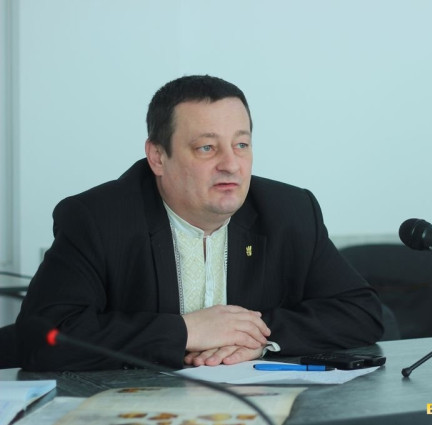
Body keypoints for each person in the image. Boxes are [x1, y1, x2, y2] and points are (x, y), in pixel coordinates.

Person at [16, 75, 383, 371]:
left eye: (241, 145)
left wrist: (253, 337)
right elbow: (41, 337)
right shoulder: (98, 219)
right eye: (207, 148)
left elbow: (361, 312)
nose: (231, 164)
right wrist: (186, 330)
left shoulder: (289, 211)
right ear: (158, 157)